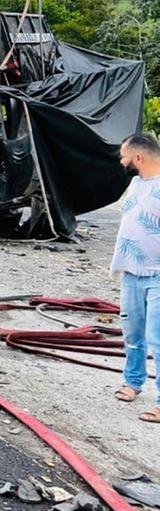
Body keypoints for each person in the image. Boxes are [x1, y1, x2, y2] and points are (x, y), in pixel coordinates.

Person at [112, 132, 160, 423]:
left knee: (158, 338)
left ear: (139, 157)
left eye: (124, 155)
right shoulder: (135, 184)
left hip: (158, 274)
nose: (122, 160)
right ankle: (132, 382)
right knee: (132, 333)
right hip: (131, 272)